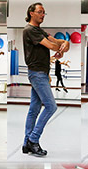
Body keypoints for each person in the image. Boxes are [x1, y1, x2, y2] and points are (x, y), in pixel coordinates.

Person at [22, 2, 70, 157]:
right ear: (31, 13)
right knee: (51, 106)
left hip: (40, 72)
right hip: (37, 73)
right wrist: (60, 47)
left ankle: (26, 144)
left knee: (34, 109)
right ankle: (33, 140)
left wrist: (65, 43)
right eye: (40, 12)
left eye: (44, 12)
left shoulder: (39, 30)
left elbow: (57, 41)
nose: (42, 15)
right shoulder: (30, 30)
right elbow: (52, 45)